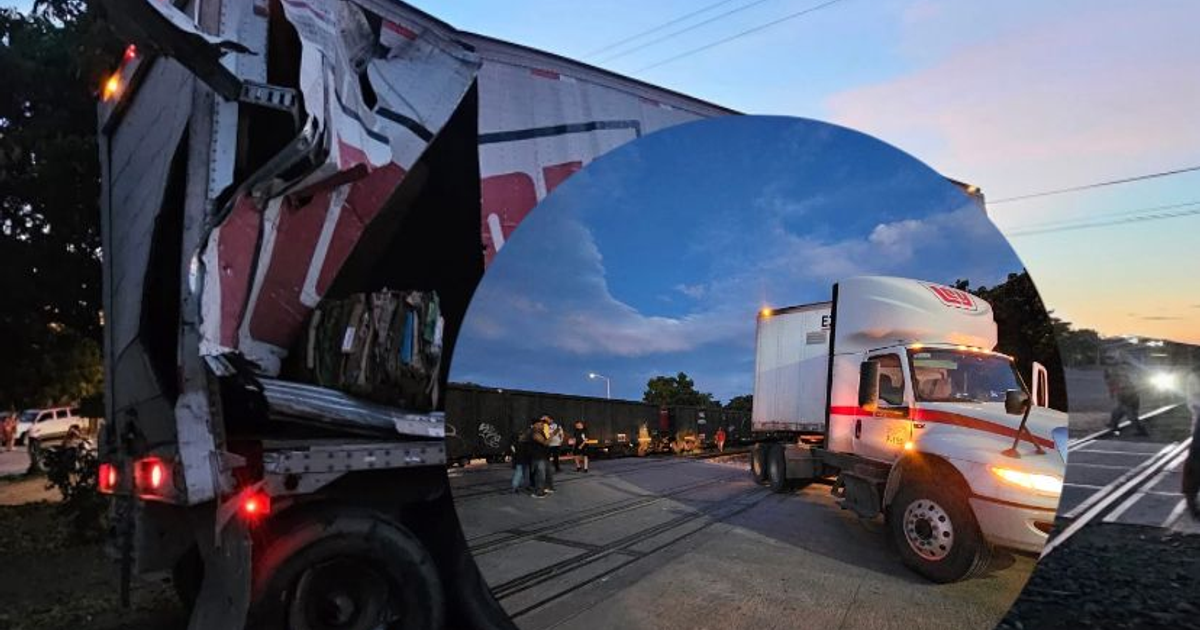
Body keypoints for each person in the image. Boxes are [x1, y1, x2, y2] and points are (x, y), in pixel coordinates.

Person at [1105, 364, 1147, 436]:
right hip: (1125, 400)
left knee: (1131, 417)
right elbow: (1112, 389)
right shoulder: (1114, 381)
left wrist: (1122, 397)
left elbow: (1128, 391)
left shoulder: (1122, 379)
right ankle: (1113, 426)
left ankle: (1141, 431)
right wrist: (1112, 394)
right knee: (1116, 414)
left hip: (1130, 400)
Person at [1184, 365, 1200, 518]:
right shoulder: (1195, 376)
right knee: (1195, 465)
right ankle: (1191, 500)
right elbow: (1195, 402)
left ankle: (1191, 498)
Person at [528, 416, 552, 498]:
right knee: (540, 476)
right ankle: (538, 493)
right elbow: (545, 443)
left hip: (542, 456)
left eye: (542, 424)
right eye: (540, 424)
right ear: (535, 425)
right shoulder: (535, 432)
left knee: (543, 475)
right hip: (538, 457)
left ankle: (542, 489)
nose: (542, 426)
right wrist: (553, 435)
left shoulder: (540, 432)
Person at [509, 429, 531, 494]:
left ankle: (517, 487)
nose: (524, 436)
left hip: (520, 460)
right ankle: (517, 487)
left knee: (521, 474)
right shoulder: (526, 443)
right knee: (522, 474)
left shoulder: (515, 444)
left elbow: (513, 453)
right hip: (523, 460)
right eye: (522, 435)